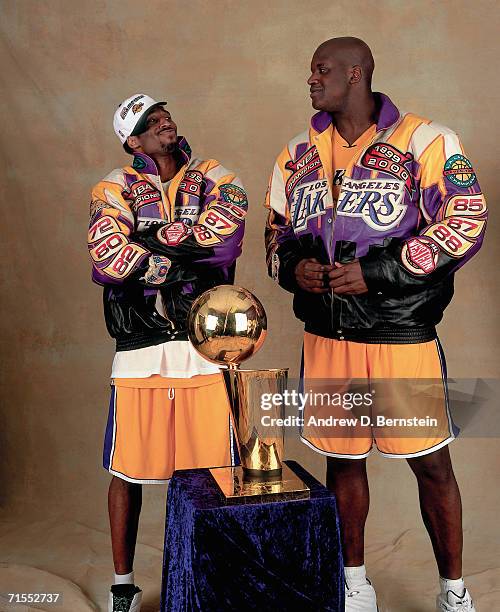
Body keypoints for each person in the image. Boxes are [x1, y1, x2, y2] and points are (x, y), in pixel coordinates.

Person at [265, 37, 486, 612]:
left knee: (432, 464)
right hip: (329, 337)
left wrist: (382, 271)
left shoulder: (427, 140)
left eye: (322, 70)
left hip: (399, 336)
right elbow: (275, 238)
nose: (311, 80)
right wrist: (296, 269)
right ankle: (355, 583)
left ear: (355, 73)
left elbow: (465, 222)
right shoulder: (296, 150)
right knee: (343, 460)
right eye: (311, 70)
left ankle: (453, 591)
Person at [89, 93, 247, 612]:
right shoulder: (112, 185)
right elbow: (107, 257)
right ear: (131, 141)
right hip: (138, 347)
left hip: (206, 345)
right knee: (127, 473)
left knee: (219, 472)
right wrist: (182, 263)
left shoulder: (215, 174)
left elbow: (225, 243)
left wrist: (147, 239)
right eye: (149, 123)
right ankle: (122, 585)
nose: (164, 124)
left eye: (165, 116)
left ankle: (214, 576)